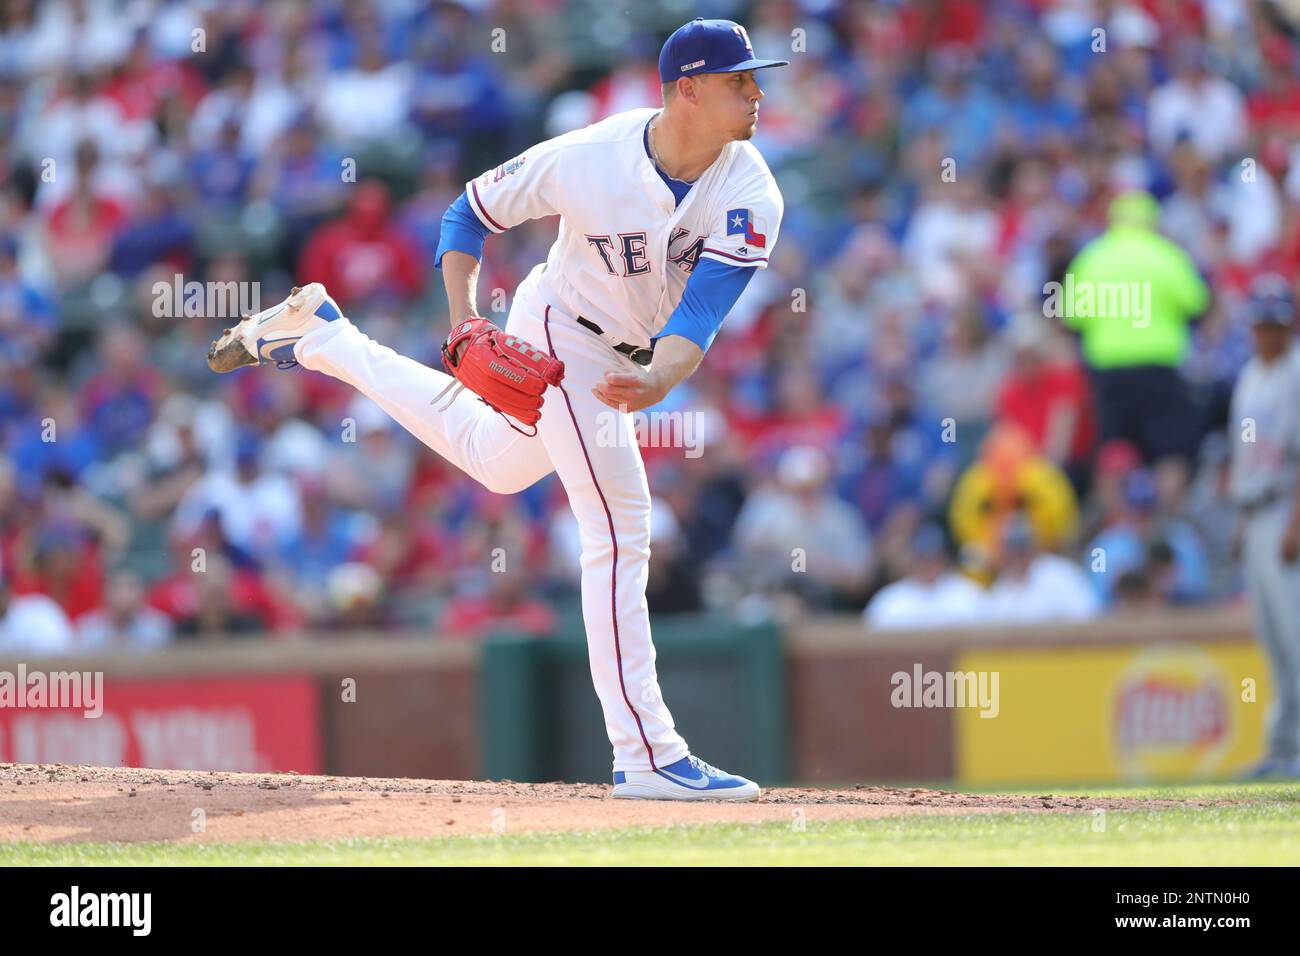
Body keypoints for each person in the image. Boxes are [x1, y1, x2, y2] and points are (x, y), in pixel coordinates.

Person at [205, 19, 787, 801]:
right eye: (739, 79)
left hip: (628, 357)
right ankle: (646, 754)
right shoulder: (589, 156)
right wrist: (463, 319)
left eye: (755, 77)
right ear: (688, 89)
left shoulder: (752, 189)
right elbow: (467, 213)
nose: (756, 91)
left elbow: (695, 323)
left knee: (496, 461)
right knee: (620, 527)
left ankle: (322, 339)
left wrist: (658, 383)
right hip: (558, 332)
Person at [1228, 274, 1300, 779]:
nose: (1267, 330)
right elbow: (1245, 454)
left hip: (1286, 510)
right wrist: (1241, 519)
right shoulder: (1251, 373)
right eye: (1261, 321)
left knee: (1296, 635)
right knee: (1274, 640)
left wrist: (1296, 522)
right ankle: (1283, 749)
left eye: (1275, 321)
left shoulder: (1297, 372)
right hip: (1256, 512)